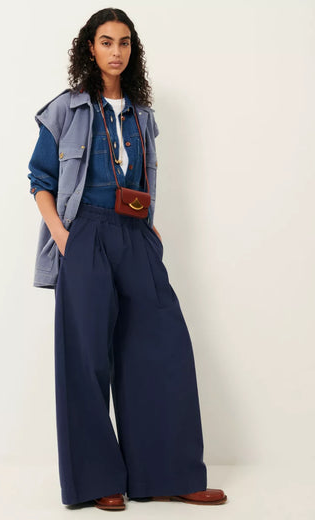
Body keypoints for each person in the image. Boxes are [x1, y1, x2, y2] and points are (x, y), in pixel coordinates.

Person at [27, 7, 227, 511]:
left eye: (124, 42)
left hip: (136, 234)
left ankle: (168, 474)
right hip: (85, 234)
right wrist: (63, 237)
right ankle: (97, 483)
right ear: (89, 48)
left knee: (162, 349)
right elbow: (40, 180)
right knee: (86, 358)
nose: (115, 51)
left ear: (132, 50)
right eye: (106, 41)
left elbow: (141, 177)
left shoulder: (142, 115)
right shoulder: (65, 109)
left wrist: (148, 226)